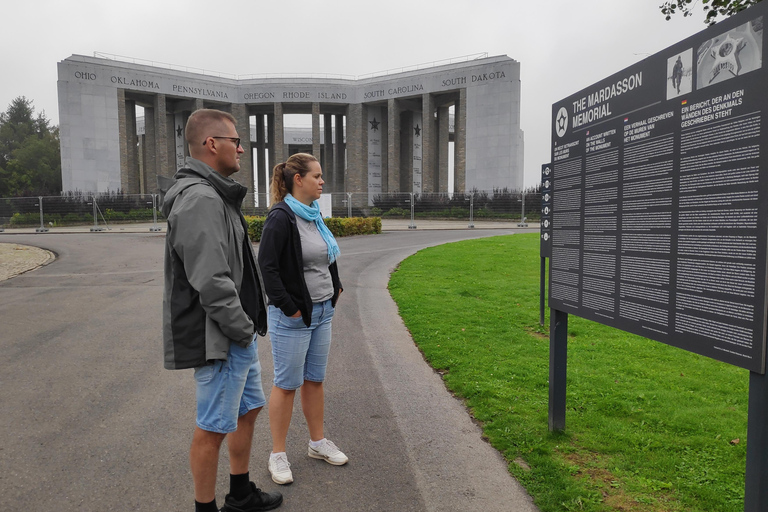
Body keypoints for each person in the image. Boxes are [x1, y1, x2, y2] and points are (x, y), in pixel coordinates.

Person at [162, 108, 283, 512]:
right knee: (212, 428)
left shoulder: (215, 193)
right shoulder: (198, 199)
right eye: (235, 141)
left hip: (236, 335)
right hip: (222, 338)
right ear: (212, 144)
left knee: (248, 408)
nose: (243, 149)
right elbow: (211, 282)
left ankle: (240, 492)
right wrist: (242, 329)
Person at [257, 153, 346, 485]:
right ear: (298, 179)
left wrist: (335, 286)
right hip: (294, 317)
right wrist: (290, 307)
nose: (322, 181)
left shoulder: (314, 214)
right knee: (286, 385)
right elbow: (267, 268)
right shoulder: (281, 217)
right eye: (317, 176)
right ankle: (277, 453)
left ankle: (317, 443)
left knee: (315, 380)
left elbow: (326, 254)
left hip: (323, 312)